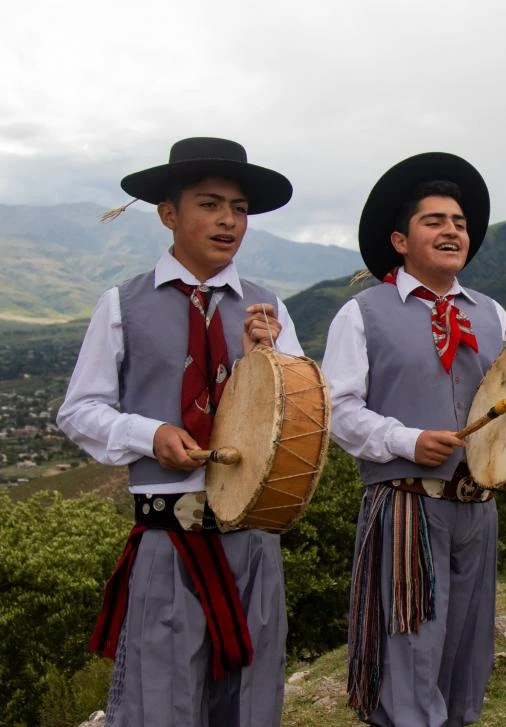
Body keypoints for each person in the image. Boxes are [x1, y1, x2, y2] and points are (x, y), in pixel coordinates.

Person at [57, 137, 304, 727]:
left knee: (251, 706)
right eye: (209, 204)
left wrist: (262, 368)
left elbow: (298, 421)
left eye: (239, 208)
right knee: (161, 705)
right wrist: (148, 434)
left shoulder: (269, 312)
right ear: (168, 213)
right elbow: (79, 410)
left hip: (252, 539)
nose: (227, 221)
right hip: (170, 539)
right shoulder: (122, 304)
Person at [322, 152, 506, 726]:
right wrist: (405, 439)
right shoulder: (361, 314)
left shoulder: (491, 313)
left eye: (459, 223)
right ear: (400, 240)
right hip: (406, 508)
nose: (451, 231)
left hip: (478, 509)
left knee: (467, 658)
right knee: (411, 659)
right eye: (434, 221)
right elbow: (338, 412)